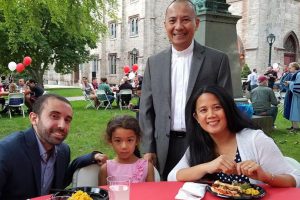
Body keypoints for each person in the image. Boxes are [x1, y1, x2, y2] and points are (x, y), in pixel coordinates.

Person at [139, 0, 232, 180]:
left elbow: (225, 108)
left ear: (196, 23)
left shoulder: (217, 60)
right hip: (163, 147)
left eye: (185, 20)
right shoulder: (154, 63)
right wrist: (148, 148)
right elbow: (146, 110)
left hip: (203, 144)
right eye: (172, 20)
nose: (178, 26)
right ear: (165, 24)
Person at [167, 85, 300, 188]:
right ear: (196, 117)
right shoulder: (199, 143)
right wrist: (207, 166)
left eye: (217, 107)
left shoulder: (255, 140)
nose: (211, 115)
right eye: (203, 110)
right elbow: (173, 176)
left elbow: (295, 178)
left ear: (228, 109)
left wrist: (265, 177)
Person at [0, 94, 108, 200]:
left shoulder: (63, 151)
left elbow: (61, 180)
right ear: (34, 119)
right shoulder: (6, 151)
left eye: (67, 120)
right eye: (54, 116)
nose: (62, 125)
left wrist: (91, 157)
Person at [99, 115, 154, 185]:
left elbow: (152, 193)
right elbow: (102, 195)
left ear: (137, 140)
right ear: (110, 141)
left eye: (129, 140)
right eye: (118, 141)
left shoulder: (147, 167)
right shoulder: (105, 169)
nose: (124, 146)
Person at [284, 62, 300, 133]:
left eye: (290, 68)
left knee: (296, 111)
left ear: (294, 67)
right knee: (293, 111)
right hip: (293, 96)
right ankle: (294, 126)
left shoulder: (299, 74)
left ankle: (296, 128)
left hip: (297, 97)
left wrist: (290, 83)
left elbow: (298, 87)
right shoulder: (295, 74)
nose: (289, 69)